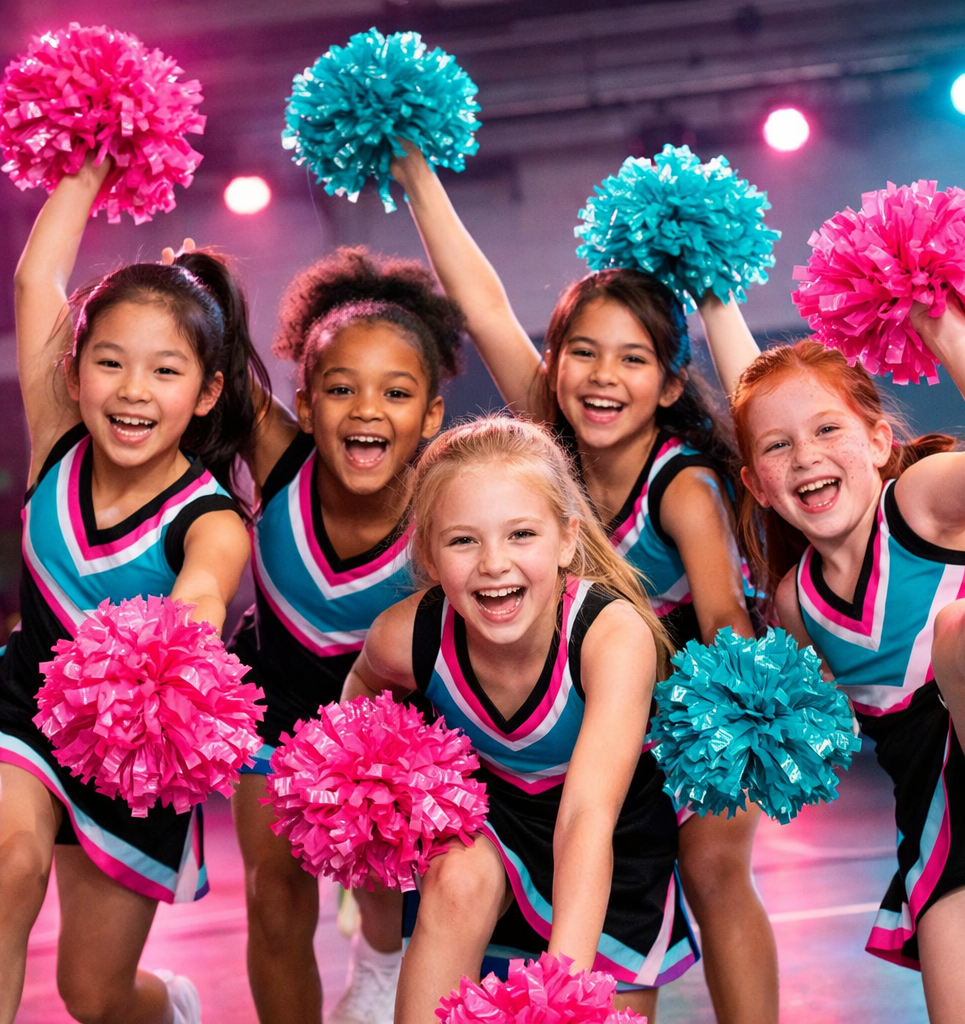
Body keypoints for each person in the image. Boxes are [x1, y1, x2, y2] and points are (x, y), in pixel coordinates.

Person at [388, 144, 779, 1024]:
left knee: (714, 870)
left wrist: (732, 739)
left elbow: (723, 616)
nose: (603, 377)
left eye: (633, 361)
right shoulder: (545, 443)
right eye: (585, 354)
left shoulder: (683, 485)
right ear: (555, 364)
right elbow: (484, 304)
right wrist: (415, 172)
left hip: (681, 720)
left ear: (669, 385)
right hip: (574, 712)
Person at [0, 157, 268, 1024]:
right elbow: (35, 280)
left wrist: (173, 644)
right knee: (6, 862)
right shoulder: (58, 438)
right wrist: (89, 166)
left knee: (95, 995)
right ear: (75, 370)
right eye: (110, 362)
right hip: (23, 712)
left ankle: (171, 1008)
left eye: (165, 371)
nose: (132, 391)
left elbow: (201, 600)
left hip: (132, 761)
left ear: (208, 393)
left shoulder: (211, 518)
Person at [724, 301, 965, 1024]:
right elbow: (756, 398)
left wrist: (937, 319)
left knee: (954, 636)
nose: (805, 456)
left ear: (881, 441)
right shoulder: (797, 605)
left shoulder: (916, 503)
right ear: (757, 484)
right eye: (778, 448)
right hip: (954, 829)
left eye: (828, 430)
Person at [344, 415, 698, 1024]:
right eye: (463, 541)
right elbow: (360, 690)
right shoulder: (405, 637)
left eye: (521, 535)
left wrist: (560, 996)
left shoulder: (612, 638)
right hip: (495, 814)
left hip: (612, 840)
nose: (493, 563)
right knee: (455, 879)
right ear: (428, 554)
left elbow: (587, 816)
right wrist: (369, 779)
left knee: (583, 1003)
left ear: (566, 540)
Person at [225, 245, 463, 1024]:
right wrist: (193, 286)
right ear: (304, 402)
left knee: (386, 883)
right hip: (274, 704)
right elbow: (213, 350)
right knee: (272, 897)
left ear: (431, 415)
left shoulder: (444, 512)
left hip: (389, 730)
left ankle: (380, 961)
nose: (366, 409)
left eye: (396, 392)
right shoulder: (277, 455)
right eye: (339, 389)